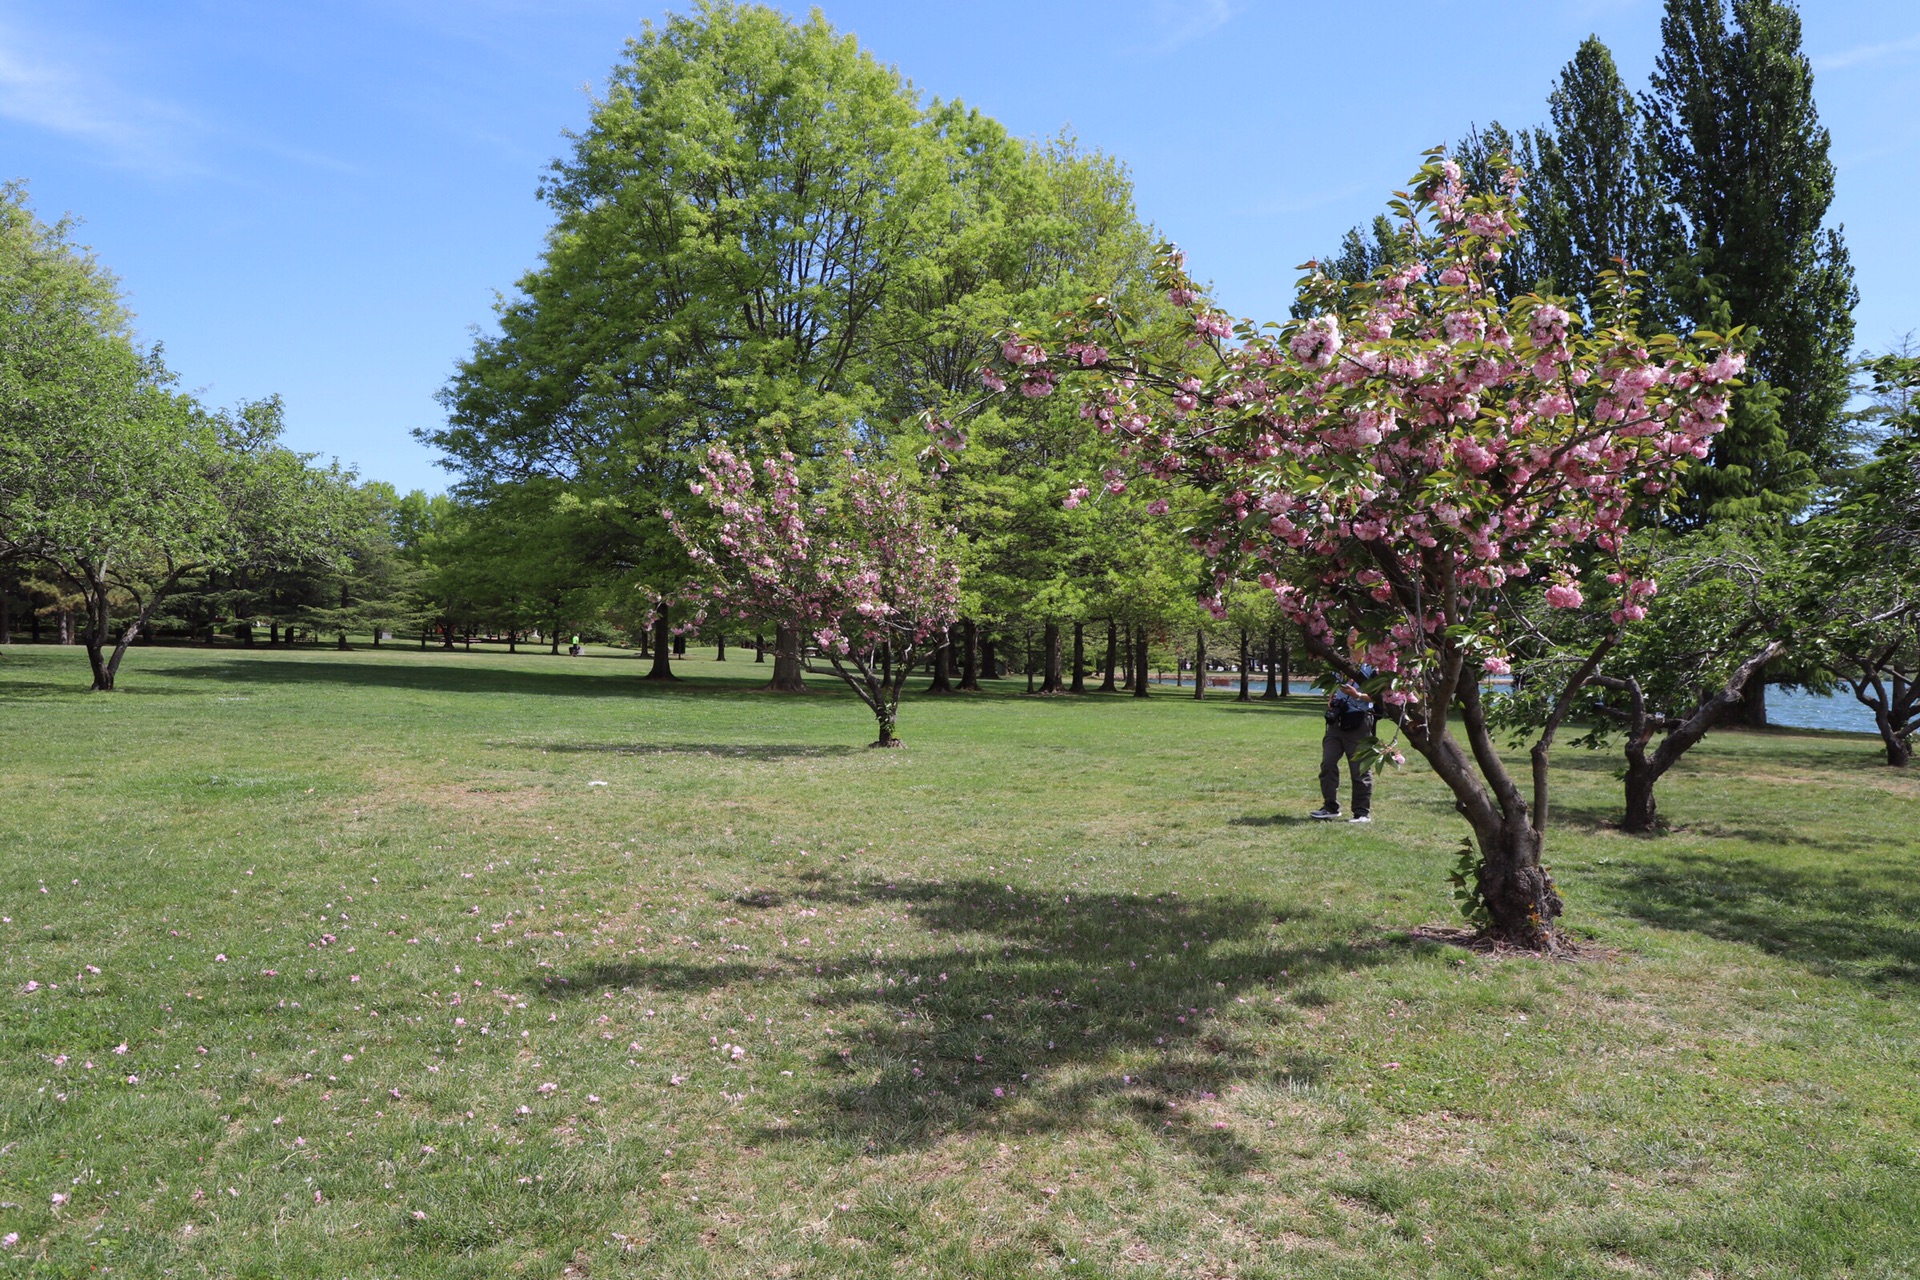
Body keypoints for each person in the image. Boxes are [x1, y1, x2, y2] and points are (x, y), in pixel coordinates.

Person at [1311, 663, 1375, 823]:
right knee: (1328, 763)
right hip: (1336, 724)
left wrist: (1357, 695)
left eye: (1356, 636)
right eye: (1350, 636)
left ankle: (1361, 813)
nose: (1353, 639)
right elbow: (1335, 690)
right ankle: (1330, 808)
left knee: (1359, 769)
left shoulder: (1373, 668)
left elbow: (1379, 697)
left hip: (1359, 723)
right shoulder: (1340, 665)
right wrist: (1332, 699)